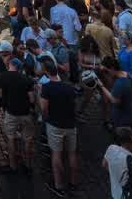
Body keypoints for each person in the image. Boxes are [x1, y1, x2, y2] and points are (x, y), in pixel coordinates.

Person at [40, 59, 79, 196]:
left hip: (55, 124)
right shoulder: (69, 87)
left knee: (56, 154)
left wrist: (45, 118)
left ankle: (59, 185)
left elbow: (44, 108)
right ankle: (74, 183)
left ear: (46, 71)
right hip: (70, 124)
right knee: (72, 153)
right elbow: (74, 104)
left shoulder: (46, 88)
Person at [0, 57, 35, 174]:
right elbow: (32, 99)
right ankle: (28, 165)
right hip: (26, 113)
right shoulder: (27, 80)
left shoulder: (2, 77)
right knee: (28, 140)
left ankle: (12, 166)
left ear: (10, 65)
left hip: (11, 113)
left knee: (10, 138)